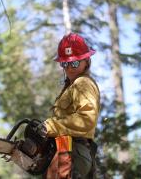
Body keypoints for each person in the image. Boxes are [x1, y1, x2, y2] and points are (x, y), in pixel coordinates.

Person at [41, 33, 101, 179]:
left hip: (73, 151)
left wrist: (50, 127)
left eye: (74, 63)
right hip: (64, 149)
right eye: (65, 64)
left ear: (86, 61)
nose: (69, 68)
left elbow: (86, 119)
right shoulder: (71, 87)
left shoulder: (83, 83)